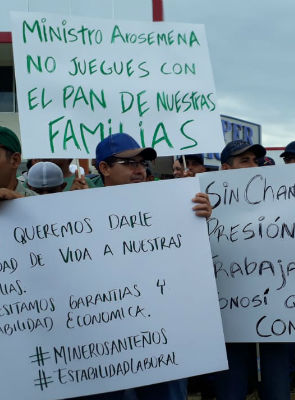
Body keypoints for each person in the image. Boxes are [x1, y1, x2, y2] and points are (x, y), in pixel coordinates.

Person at [91, 132, 212, 400]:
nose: (139, 170)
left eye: (142, 163)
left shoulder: (172, 203)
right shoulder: (76, 216)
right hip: (106, 340)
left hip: (163, 337)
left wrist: (201, 219)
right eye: (129, 163)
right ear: (104, 168)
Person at [214, 140, 293, 400]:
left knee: (278, 392)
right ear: (226, 168)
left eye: (255, 161)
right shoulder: (205, 204)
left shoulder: (281, 201)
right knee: (231, 392)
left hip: (276, 316)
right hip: (230, 320)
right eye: (244, 161)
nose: (253, 166)